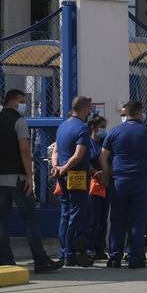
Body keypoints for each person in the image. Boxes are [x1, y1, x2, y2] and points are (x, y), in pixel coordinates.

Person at [0, 87, 61, 273]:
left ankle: (6, 261)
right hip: (16, 176)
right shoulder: (19, 121)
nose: (23, 104)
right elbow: (24, 150)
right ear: (12, 101)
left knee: (2, 220)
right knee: (30, 218)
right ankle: (40, 260)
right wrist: (29, 175)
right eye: (21, 100)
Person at [99, 100, 147, 269]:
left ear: (126, 113)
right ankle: (136, 258)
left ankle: (115, 257)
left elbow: (102, 156)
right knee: (138, 220)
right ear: (140, 112)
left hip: (119, 181)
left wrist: (108, 176)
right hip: (140, 181)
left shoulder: (115, 131)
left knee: (117, 219)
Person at [51, 96, 94, 267]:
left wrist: (57, 167)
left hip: (62, 175)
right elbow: (78, 156)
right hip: (76, 175)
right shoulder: (83, 128)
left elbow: (55, 150)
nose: (90, 112)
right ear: (84, 109)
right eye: (89, 109)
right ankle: (71, 252)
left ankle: (64, 251)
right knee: (77, 213)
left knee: (65, 211)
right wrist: (65, 168)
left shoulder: (63, 126)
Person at [86, 114, 110, 260]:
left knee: (103, 219)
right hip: (93, 185)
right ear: (93, 128)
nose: (104, 131)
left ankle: (100, 249)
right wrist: (96, 174)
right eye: (101, 128)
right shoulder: (88, 143)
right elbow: (85, 161)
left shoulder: (105, 143)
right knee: (93, 219)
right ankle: (90, 248)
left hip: (106, 185)